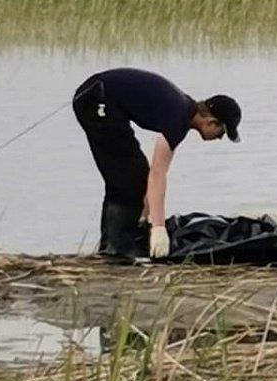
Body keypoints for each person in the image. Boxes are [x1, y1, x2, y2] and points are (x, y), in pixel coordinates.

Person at [72, 68, 242, 261]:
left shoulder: (182, 111)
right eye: (222, 132)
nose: (220, 138)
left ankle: (114, 246)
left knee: (131, 174)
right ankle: (116, 251)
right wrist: (159, 229)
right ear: (212, 122)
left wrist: (145, 218)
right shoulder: (178, 117)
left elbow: (151, 175)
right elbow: (157, 174)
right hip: (96, 97)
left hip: (101, 97)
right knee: (127, 179)